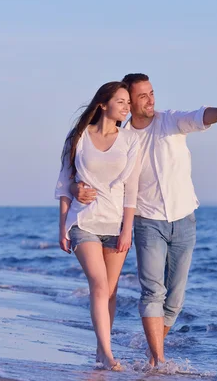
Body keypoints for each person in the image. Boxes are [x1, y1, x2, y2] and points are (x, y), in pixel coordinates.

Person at [71, 73, 217, 367]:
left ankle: (152, 347)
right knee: (152, 291)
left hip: (183, 217)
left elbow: (201, 116)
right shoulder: (125, 138)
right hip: (147, 220)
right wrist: (76, 189)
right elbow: (99, 176)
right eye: (142, 96)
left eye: (152, 93)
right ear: (129, 102)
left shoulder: (171, 121)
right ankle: (157, 360)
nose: (150, 100)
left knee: (175, 300)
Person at [55, 81, 141, 371]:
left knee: (111, 291)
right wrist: (62, 226)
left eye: (129, 102)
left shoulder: (130, 141)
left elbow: (132, 190)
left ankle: (99, 350)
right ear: (103, 104)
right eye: (121, 101)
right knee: (99, 285)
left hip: (115, 224)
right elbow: (65, 184)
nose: (127, 107)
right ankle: (107, 353)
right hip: (83, 221)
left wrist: (127, 229)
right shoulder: (78, 137)